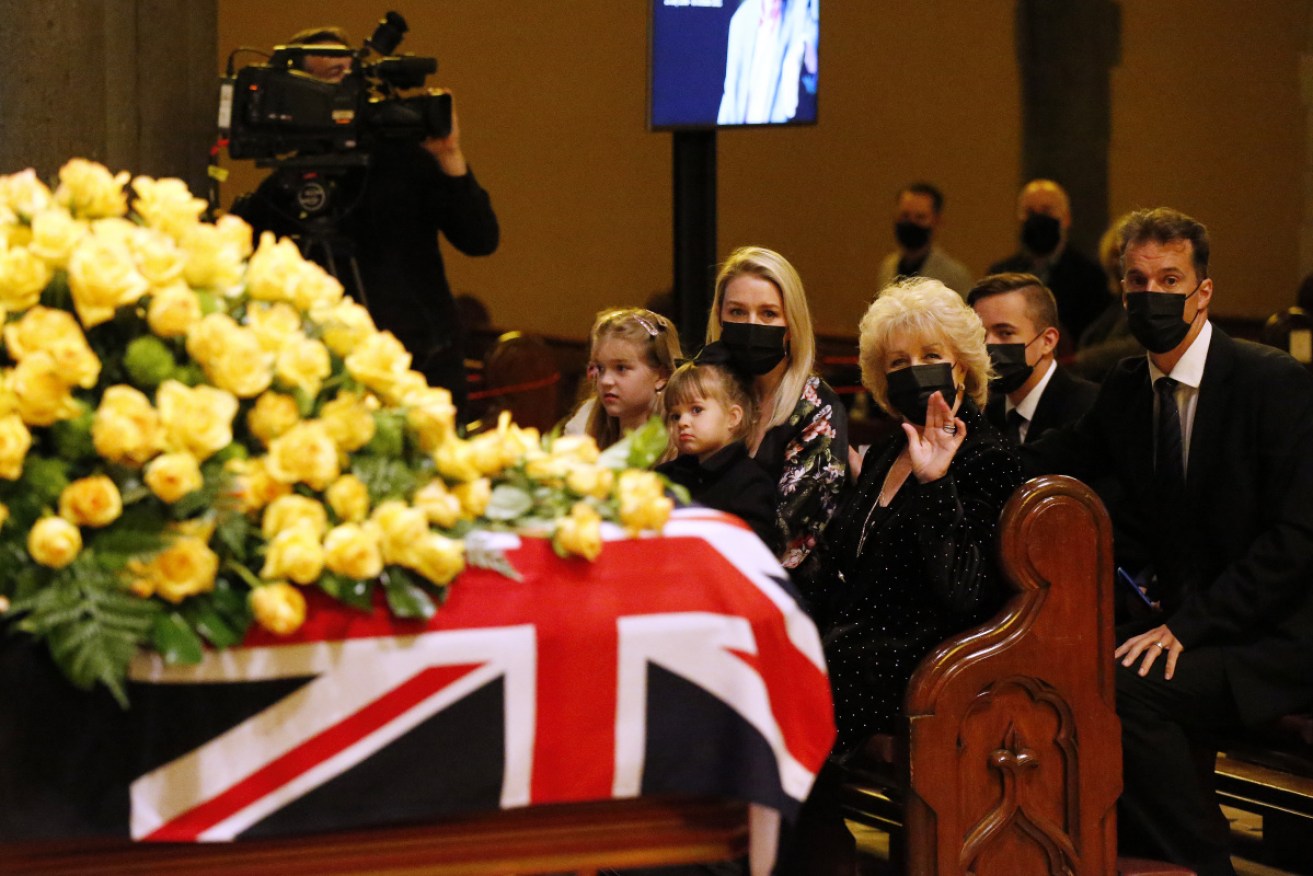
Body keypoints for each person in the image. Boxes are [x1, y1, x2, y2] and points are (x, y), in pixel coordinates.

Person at [1022, 208, 1313, 875]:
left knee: (1123, 687)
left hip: (1269, 636)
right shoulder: (1130, 385)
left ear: (1202, 292)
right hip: (1190, 625)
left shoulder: (1271, 384)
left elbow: (1296, 542)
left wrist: (1187, 627)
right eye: (1136, 280)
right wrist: (951, 453)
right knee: (1079, 668)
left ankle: (1205, 864)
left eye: (1169, 278)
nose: (1150, 294)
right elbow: (1057, 455)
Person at [781, 277, 1022, 872]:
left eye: (932, 357)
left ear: (962, 369)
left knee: (792, 701)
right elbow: (844, 569)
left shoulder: (988, 456)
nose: (916, 372)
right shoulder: (889, 449)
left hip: (932, 663)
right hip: (862, 647)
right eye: (898, 363)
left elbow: (967, 595)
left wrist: (937, 485)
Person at [230, 26, 499, 418]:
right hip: (326, 385)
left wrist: (450, 157)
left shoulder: (407, 159)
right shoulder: (285, 189)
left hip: (420, 370)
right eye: (325, 81)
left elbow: (480, 238)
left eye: (347, 75)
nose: (340, 92)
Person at [706, 246, 847, 572]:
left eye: (768, 313)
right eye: (737, 312)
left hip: (782, 588)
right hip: (699, 575)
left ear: (791, 324)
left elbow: (788, 535)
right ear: (720, 318)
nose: (751, 324)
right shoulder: (706, 396)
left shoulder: (819, 409)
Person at [655, 347, 780, 552]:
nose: (683, 422)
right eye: (675, 415)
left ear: (733, 417)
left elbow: (753, 556)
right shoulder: (663, 477)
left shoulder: (750, 483)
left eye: (696, 410)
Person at [969, 272, 1097, 444]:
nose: (988, 344)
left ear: (1048, 341)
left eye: (1005, 332)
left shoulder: (1089, 408)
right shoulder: (981, 412)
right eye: (980, 334)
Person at [988, 179, 1109, 345]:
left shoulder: (1091, 277)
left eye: (1047, 210)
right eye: (1030, 212)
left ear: (1066, 218)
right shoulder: (1000, 275)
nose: (1038, 218)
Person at [562, 307, 682, 450]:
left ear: (662, 376)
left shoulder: (683, 437)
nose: (605, 381)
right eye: (600, 368)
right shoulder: (584, 423)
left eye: (621, 368)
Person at [717, 0, 819, 125]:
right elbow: (731, 93)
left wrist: (801, 49)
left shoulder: (800, 11)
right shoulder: (741, 20)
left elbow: (812, 51)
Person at [875, 182, 975, 298]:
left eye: (920, 217)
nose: (911, 223)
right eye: (905, 215)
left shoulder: (955, 276)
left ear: (937, 221)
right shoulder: (887, 267)